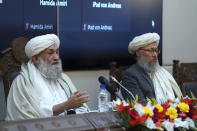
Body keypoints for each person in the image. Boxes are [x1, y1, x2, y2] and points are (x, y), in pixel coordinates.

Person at [6, 34, 89, 120]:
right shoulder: (22, 82)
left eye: (57, 52)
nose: (56, 57)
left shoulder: (64, 79)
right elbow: (28, 118)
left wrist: (79, 102)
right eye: (50, 53)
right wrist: (66, 105)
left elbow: (78, 107)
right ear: (35, 59)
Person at [121, 32, 182, 104]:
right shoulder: (130, 75)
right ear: (138, 52)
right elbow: (139, 106)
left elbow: (177, 98)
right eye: (151, 50)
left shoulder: (162, 73)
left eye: (156, 50)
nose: (155, 55)